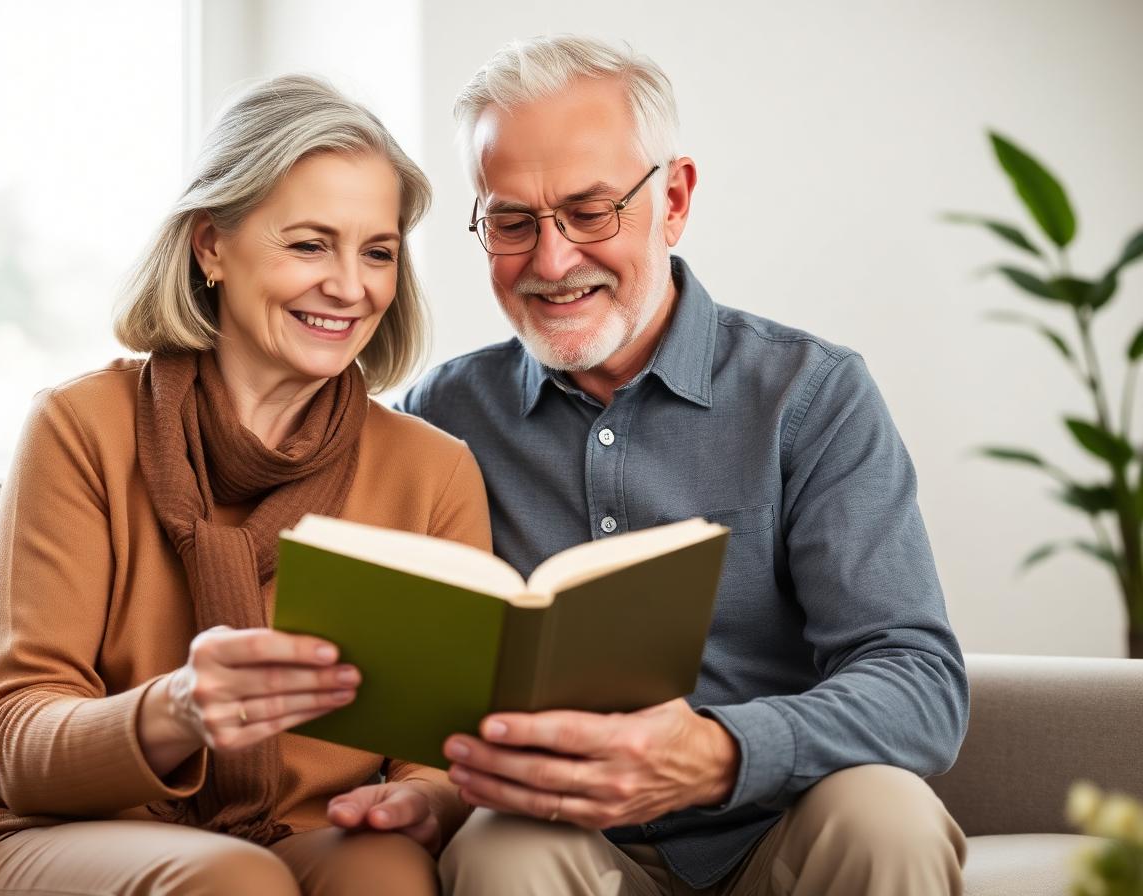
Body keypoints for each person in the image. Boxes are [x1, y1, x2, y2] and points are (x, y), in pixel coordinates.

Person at [399, 36, 970, 895]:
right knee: (497, 849)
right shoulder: (440, 414)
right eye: (513, 222)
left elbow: (919, 685)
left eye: (592, 212)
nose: (552, 263)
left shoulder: (812, 394)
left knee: (887, 813)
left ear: (673, 199)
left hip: (782, 823)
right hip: (561, 836)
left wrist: (717, 753)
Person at [0, 74, 489, 896]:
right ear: (210, 245)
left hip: (303, 836)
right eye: (308, 244)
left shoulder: (433, 472)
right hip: (59, 831)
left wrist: (421, 806)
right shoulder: (81, 428)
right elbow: (20, 743)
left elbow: (433, 757)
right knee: (234, 881)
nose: (350, 286)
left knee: (386, 876)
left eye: (378, 252)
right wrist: (176, 709)